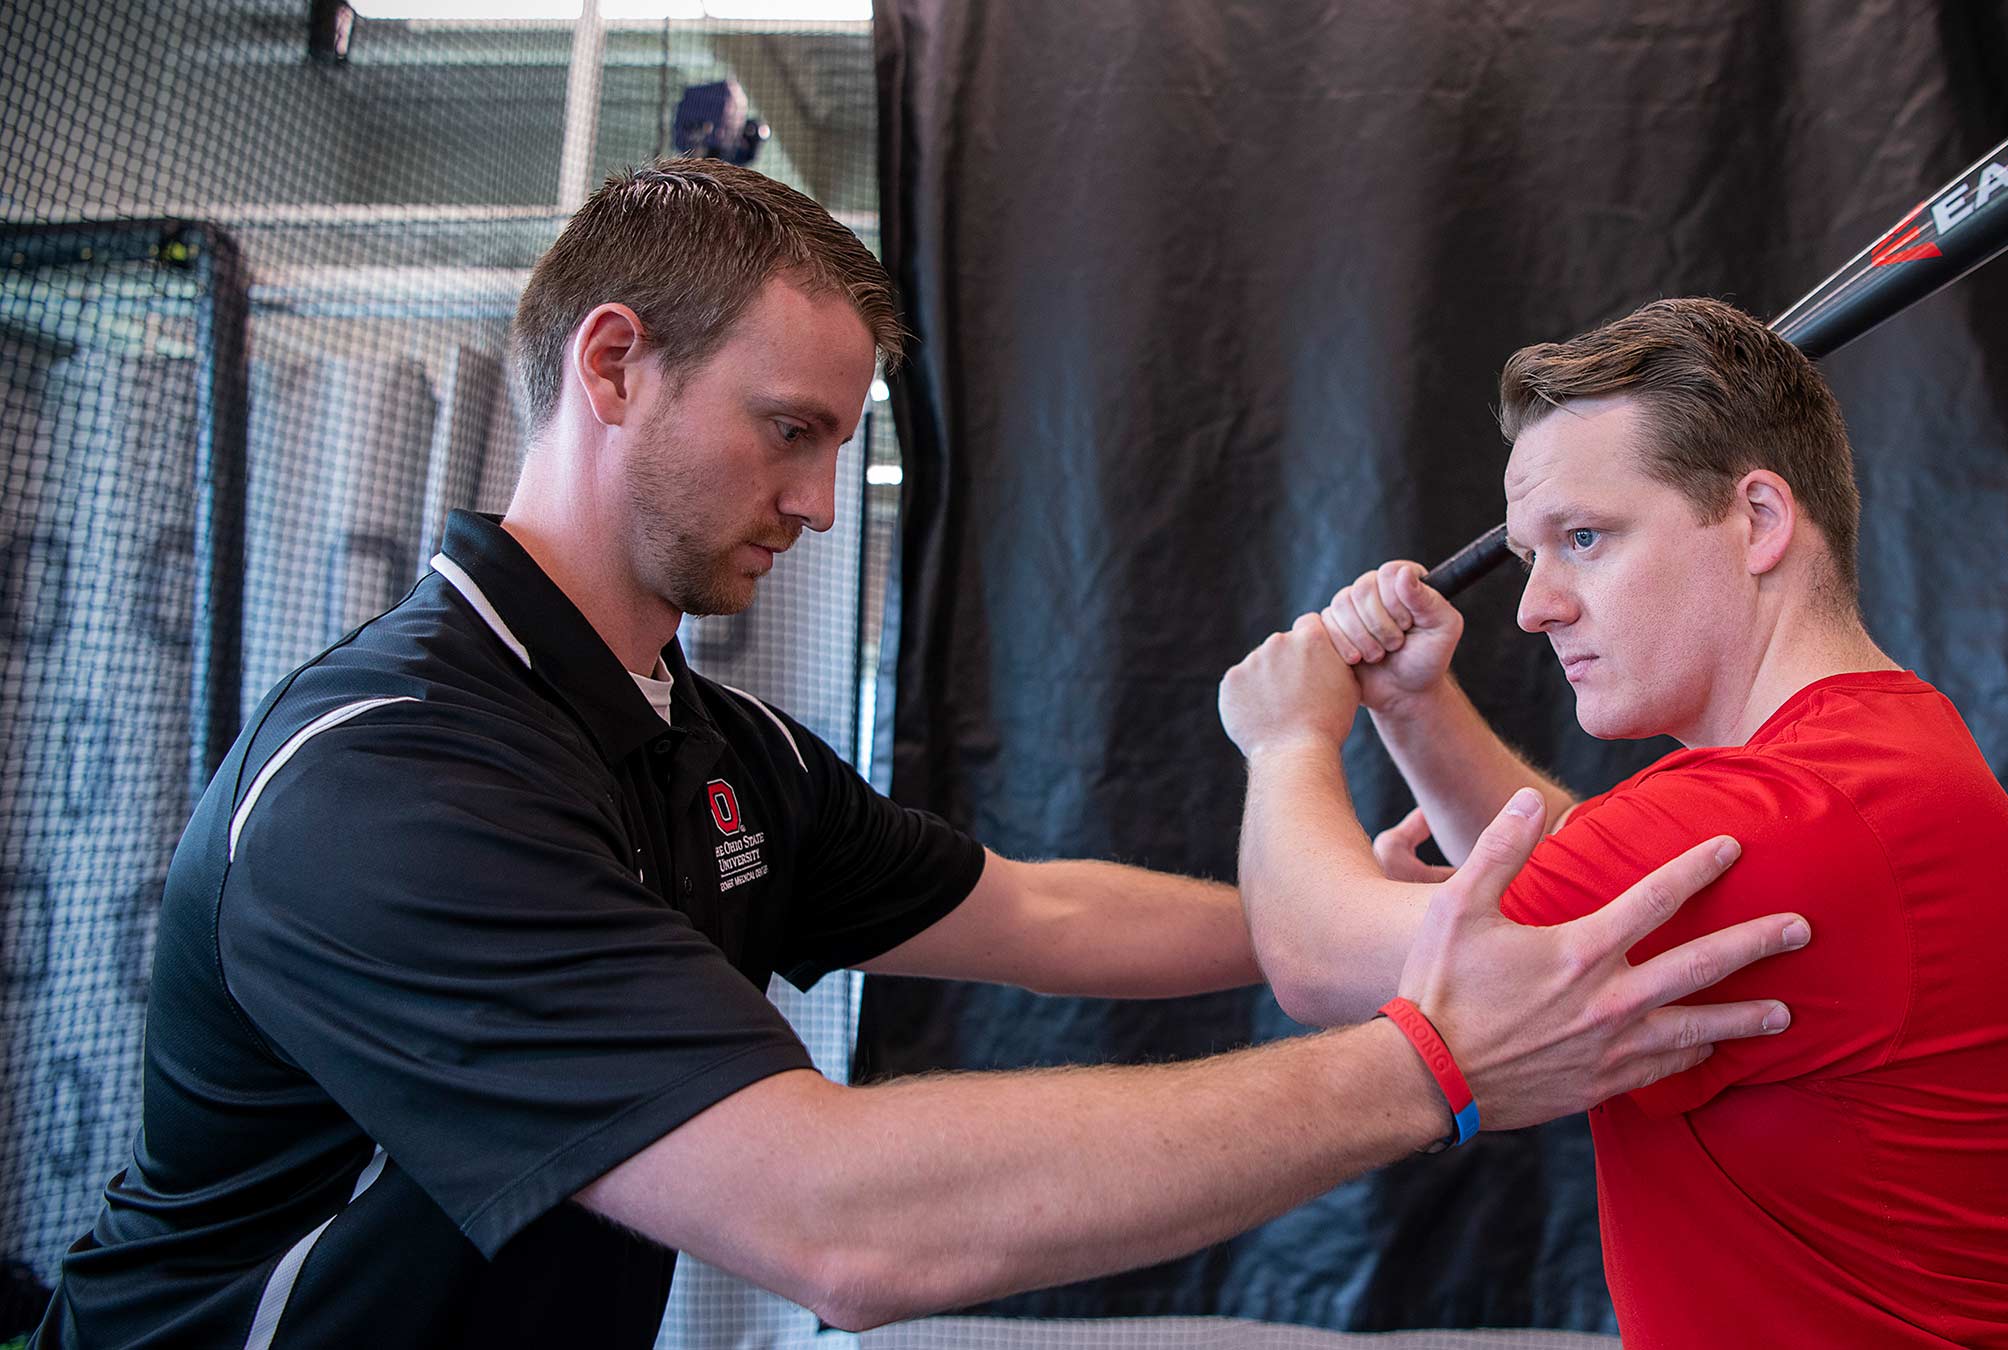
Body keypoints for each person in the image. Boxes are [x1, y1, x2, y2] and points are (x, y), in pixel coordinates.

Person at [35, 164, 1814, 1349]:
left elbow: (1032, 914)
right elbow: (835, 1224)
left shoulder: (706, 742)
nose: (820, 504)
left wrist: (1350, 935)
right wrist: (1428, 1060)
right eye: (790, 434)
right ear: (612, 366)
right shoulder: (395, 779)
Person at [1219, 297, 2008, 1347]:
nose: (1534, 609)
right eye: (1531, 557)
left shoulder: (1791, 812)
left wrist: (1288, 738)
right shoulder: (1861, 759)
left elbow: (1313, 959)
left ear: (1760, 520)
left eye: (1584, 538)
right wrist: (1410, 702)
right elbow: (1612, 893)